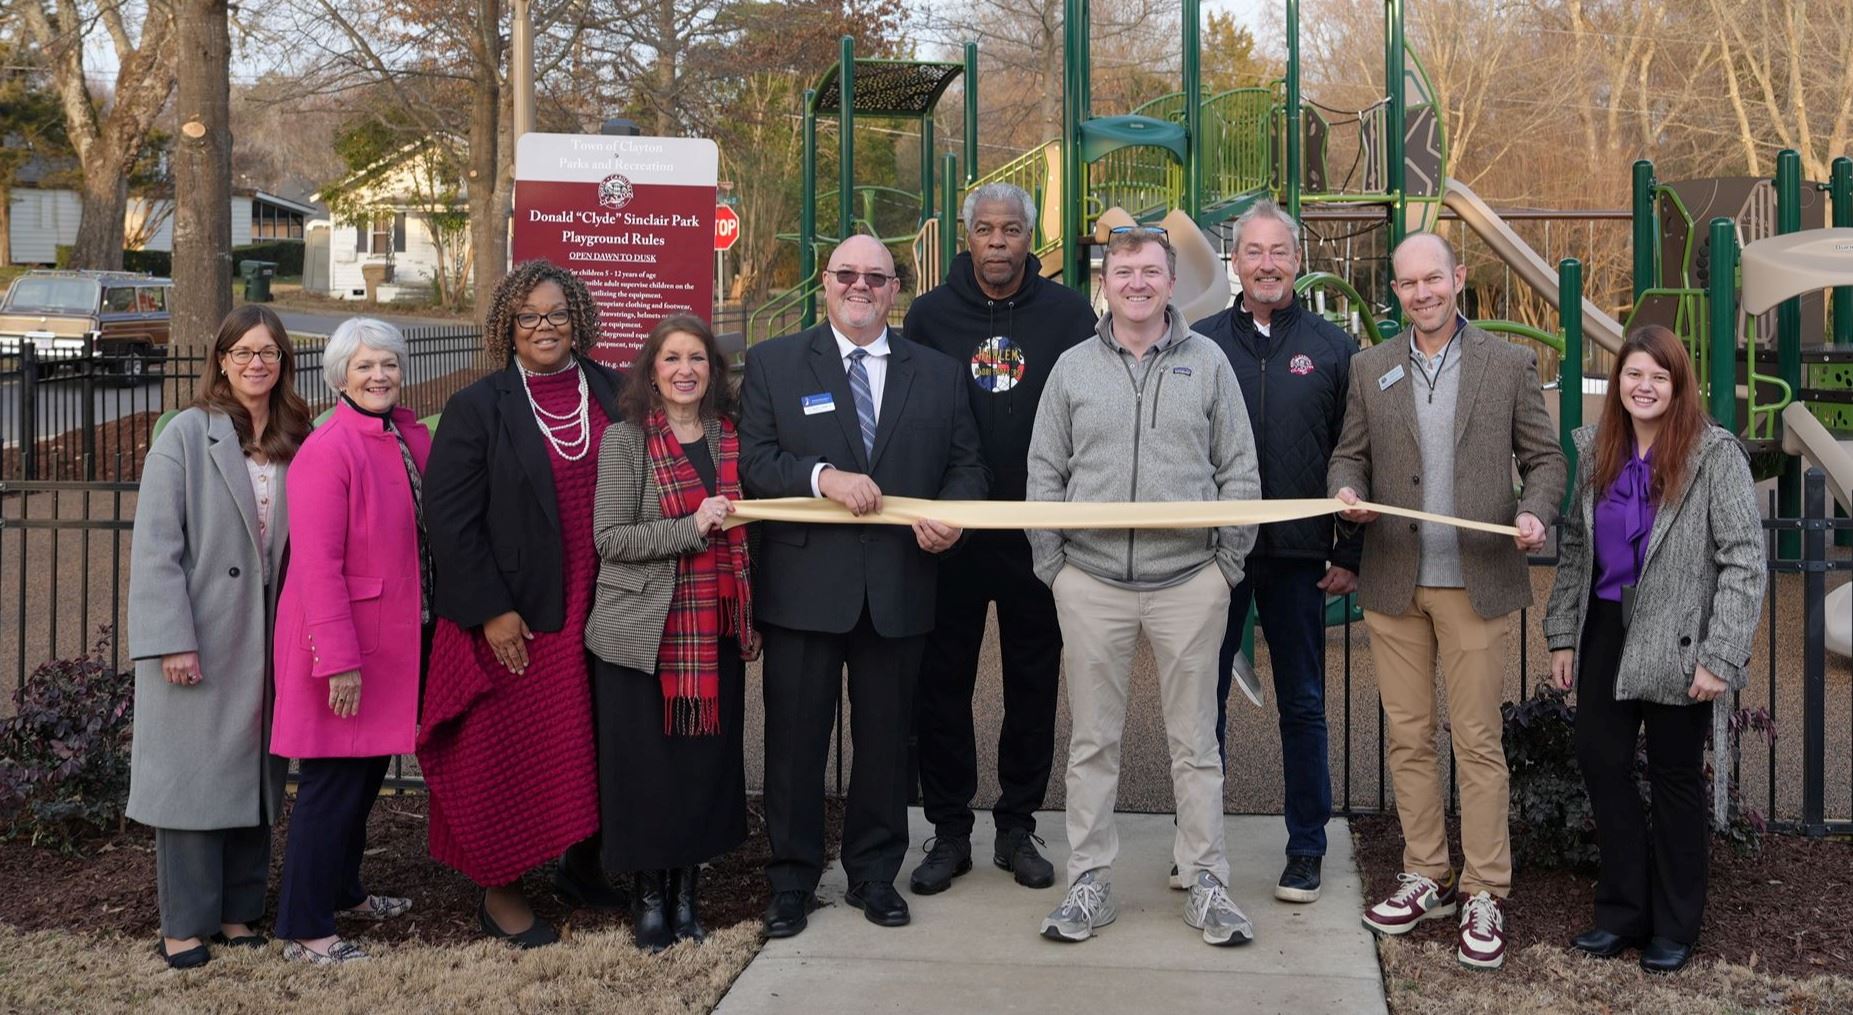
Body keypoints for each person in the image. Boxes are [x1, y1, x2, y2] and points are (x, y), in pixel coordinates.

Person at [1327, 232, 1566, 970]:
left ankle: (1484, 888)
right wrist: (1349, 490)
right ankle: (1425, 873)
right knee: (1406, 735)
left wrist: (1536, 512)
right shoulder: (1369, 367)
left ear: (1457, 278)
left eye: (1433, 278)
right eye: (1406, 283)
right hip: (1394, 577)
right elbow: (1349, 452)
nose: (1421, 293)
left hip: (1475, 579)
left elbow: (1546, 458)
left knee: (1475, 739)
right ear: (1394, 291)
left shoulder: (1507, 362)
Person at [738, 234, 988, 938]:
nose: (860, 286)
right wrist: (822, 478)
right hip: (803, 588)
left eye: (875, 277)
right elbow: (756, 461)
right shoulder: (774, 363)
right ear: (823, 282)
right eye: (845, 274)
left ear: (895, 288)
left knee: (885, 746)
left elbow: (967, 468)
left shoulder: (936, 374)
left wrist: (952, 518)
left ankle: (874, 876)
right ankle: (790, 880)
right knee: (793, 745)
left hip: (899, 587)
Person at [1025, 226, 1261, 946]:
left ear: (1170, 281)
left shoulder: (1209, 362)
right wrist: (1054, 569)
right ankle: (1089, 882)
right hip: (1090, 582)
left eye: (1149, 271)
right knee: (1093, 741)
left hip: (1189, 581)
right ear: (1104, 280)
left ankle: (1206, 879)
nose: (1136, 283)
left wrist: (1224, 569)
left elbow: (1239, 473)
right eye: (1123, 270)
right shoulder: (1070, 368)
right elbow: (1044, 474)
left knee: (1194, 742)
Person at [1544, 325, 1764, 974]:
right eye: (1633, 373)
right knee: (1601, 762)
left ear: (1677, 384)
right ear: (1617, 382)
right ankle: (1620, 913)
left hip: (1678, 634)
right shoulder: (1597, 451)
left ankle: (1674, 924)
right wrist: (1561, 634)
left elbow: (1743, 560)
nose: (1643, 386)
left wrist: (1719, 655)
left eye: (1658, 376)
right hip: (1606, 625)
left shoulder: (1713, 455)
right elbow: (1575, 551)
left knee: (1672, 779)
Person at [417, 262, 624, 948]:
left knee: (591, 741)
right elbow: (450, 520)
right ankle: (499, 891)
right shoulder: (479, 406)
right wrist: (491, 610)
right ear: (507, 323)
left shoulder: (612, 390)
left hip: (601, 603)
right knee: (501, 753)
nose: (545, 326)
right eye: (530, 315)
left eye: (557, 313)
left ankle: (580, 866)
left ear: (579, 320)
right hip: (515, 613)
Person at [901, 182, 1096, 896]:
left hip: (1034, 534)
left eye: (1010, 229)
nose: (996, 242)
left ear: (1028, 238)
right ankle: (948, 829)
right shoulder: (926, 315)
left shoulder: (1070, 314)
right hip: (948, 534)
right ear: (966, 234)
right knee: (941, 681)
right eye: (983, 228)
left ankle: (1017, 825)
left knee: (1033, 681)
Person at [127, 306, 312, 969]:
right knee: (191, 781)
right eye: (242, 352)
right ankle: (184, 922)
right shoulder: (186, 433)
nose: (256, 363)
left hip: (269, 635)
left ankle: (238, 911)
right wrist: (171, 638)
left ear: (283, 361)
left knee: (256, 778)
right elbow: (156, 547)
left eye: (268, 352)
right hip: (200, 634)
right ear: (222, 360)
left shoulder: (297, 432)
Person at [1192, 199, 1359, 905]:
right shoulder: (1198, 344)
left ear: (1297, 260)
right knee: (1200, 706)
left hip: (1297, 556)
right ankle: (1197, 848)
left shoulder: (1332, 348)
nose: (1265, 264)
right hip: (1215, 556)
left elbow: (1356, 455)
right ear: (1236, 261)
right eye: (1253, 251)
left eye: (1278, 252)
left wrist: (1347, 547)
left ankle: (1306, 847)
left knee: (1303, 703)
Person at [585, 314, 756, 951]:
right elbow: (611, 540)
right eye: (671, 358)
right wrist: (692, 525)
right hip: (641, 637)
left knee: (699, 772)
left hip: (713, 634)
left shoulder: (731, 438)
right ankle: (649, 897)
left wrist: (749, 612)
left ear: (713, 370)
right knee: (648, 773)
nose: (685, 370)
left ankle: (687, 894)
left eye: (697, 359)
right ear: (651, 371)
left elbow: (749, 535)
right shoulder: (625, 442)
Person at [271, 318, 431, 965]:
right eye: (365, 365)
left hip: (392, 640)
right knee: (331, 785)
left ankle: (343, 891)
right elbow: (316, 568)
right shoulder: (328, 447)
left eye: (388, 363)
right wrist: (338, 660)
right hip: (344, 648)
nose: (379, 375)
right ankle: (305, 926)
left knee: (363, 778)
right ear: (340, 375)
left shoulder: (399, 435)